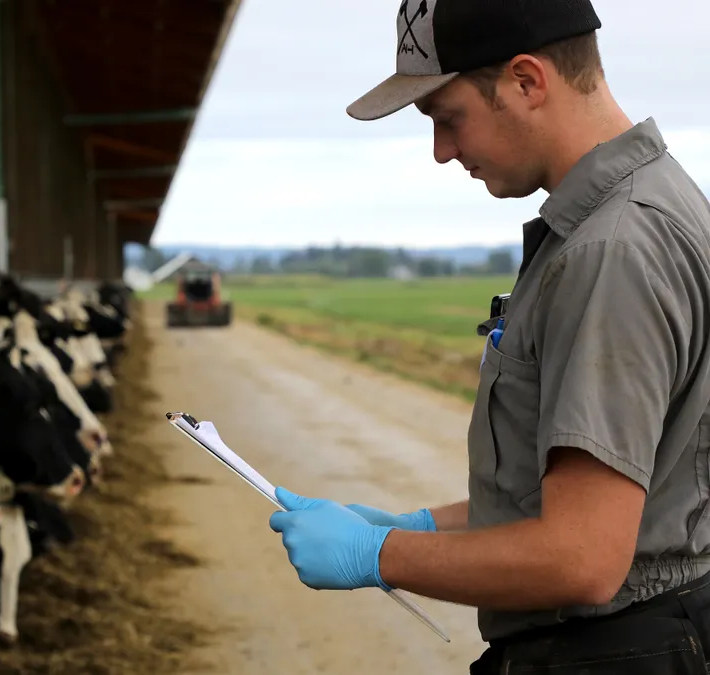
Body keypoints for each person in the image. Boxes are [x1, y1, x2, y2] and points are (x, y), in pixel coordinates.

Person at [267, 0, 710, 672]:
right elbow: (607, 496)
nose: (443, 151)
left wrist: (379, 554)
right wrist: (414, 526)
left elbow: (582, 556)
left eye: (447, 119)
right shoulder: (652, 205)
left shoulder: (610, 250)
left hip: (613, 653)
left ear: (527, 81)